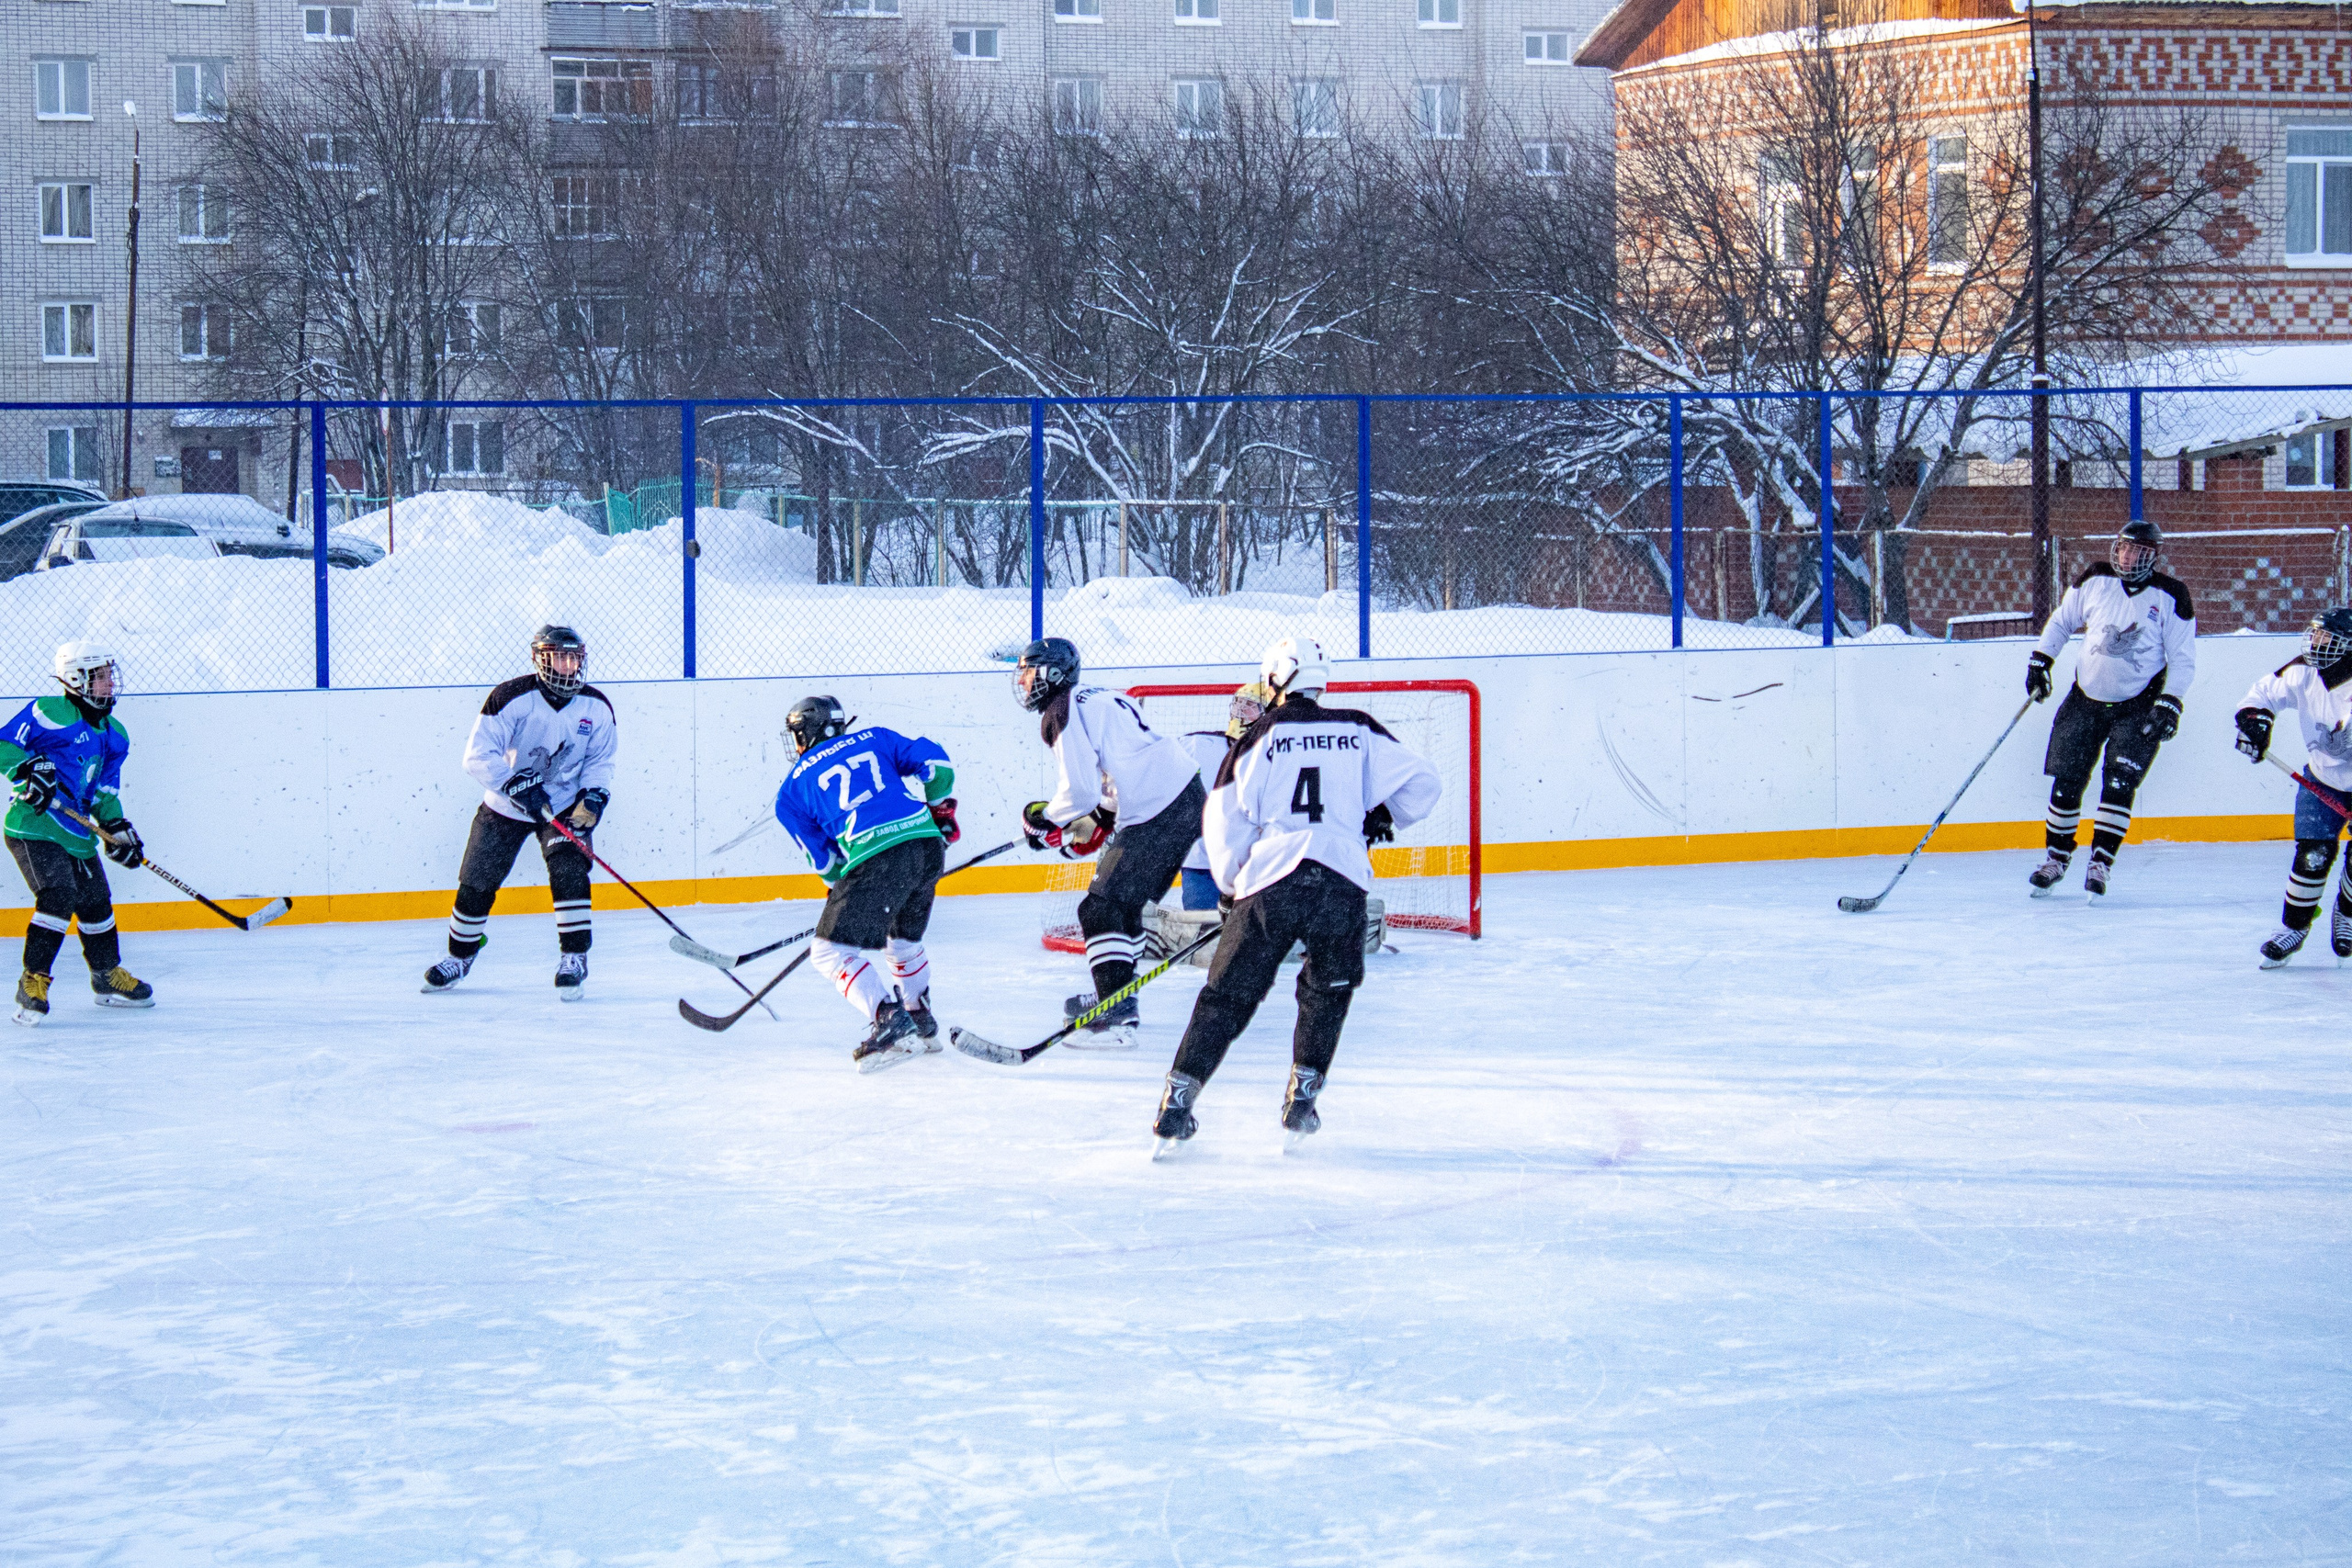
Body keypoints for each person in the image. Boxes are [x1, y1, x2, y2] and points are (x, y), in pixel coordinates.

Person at [1153, 636, 1441, 1156]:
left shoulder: (1259, 734)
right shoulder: (1357, 727)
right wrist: (1382, 816)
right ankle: (1301, 1100)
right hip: (1342, 879)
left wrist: (1231, 885)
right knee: (1328, 990)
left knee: (1226, 995)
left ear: (1278, 677)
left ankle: (1176, 1104)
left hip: (1273, 878)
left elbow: (1221, 819)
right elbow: (1424, 783)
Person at [1014, 637, 1207, 1048]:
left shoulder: (1060, 709)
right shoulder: (1100, 696)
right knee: (1122, 904)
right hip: (1183, 797)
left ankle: (1116, 1015)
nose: (1024, 680)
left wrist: (1046, 819)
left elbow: (1078, 792)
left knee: (1099, 908)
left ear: (1051, 672)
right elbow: (1118, 770)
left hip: (1160, 809)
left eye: (1029, 670)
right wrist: (1103, 815)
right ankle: (1116, 994)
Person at [424, 626, 616, 1000]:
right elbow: (477, 755)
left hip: (562, 804)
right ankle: (460, 956)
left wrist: (594, 795)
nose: (568, 665)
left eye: (574, 657)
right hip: (506, 804)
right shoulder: (511, 697)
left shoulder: (596, 706)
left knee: (569, 869)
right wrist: (513, 783)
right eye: (559, 656)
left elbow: (600, 761)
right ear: (539, 659)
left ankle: (574, 955)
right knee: (477, 880)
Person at [773, 694, 958, 1072]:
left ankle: (890, 1021)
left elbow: (824, 861)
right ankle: (919, 1018)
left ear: (805, 734)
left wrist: (838, 885)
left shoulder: (790, 791)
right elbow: (937, 764)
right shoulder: (875, 737)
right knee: (903, 940)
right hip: (926, 847)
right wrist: (939, 810)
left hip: (876, 858)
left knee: (827, 953)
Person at [2023, 518, 2196, 900]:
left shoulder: (2171, 595)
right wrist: (2040, 660)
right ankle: (2056, 857)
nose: (2127, 556)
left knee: (2119, 784)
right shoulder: (2096, 579)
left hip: (2140, 706)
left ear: (2153, 556)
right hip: (2085, 698)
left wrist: (2171, 702)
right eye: (2123, 547)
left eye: (2137, 551)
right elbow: (2063, 621)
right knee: (2066, 782)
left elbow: (2182, 659)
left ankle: (2101, 861)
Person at [0, 642, 152, 1024]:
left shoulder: (114, 734)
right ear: (75, 678)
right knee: (58, 893)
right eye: (99, 676)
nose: (108, 683)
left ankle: (106, 978)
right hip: (33, 825)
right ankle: (32, 981)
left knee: (97, 901)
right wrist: (28, 769)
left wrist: (116, 827)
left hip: (76, 831)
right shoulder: (49, 711)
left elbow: (104, 790)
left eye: (107, 675)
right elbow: (3, 744)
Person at [2233, 607, 2352, 967]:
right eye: (2315, 635)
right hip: (2322, 780)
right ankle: (2295, 928)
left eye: (2327, 638)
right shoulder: (2302, 669)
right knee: (2312, 856)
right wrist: (2256, 724)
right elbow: (2262, 694)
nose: (2316, 643)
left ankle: (2346, 915)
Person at [1171, 682, 1273, 914]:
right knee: (1205, 936)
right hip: (1202, 864)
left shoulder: (1276, 755)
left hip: (1255, 866)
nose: (1240, 712)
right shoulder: (1198, 745)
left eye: (1250, 707)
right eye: (1239, 704)